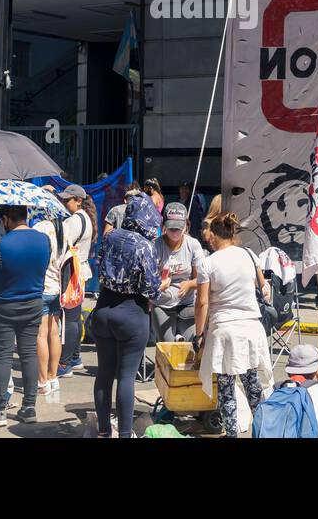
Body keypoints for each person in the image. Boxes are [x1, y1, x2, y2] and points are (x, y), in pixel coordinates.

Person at [194, 210, 273, 438]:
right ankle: (262, 431)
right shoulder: (249, 255)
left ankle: (232, 434)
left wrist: (199, 334)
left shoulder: (207, 263)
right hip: (250, 329)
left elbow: (202, 303)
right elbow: (264, 290)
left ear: (214, 236)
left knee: (226, 389)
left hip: (224, 331)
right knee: (252, 384)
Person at [90, 193, 162, 438]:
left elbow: (98, 272)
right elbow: (151, 289)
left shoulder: (110, 238)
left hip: (103, 310)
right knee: (127, 377)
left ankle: (102, 431)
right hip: (132, 314)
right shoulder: (146, 246)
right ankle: (123, 434)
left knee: (104, 374)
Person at [0, 203, 50, 426]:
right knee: (28, 353)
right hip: (34, 304)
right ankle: (29, 407)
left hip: (4, 306)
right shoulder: (44, 240)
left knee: (3, 356)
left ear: (6, 219)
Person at [35, 184, 95, 394]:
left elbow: (62, 247)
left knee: (63, 323)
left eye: (67, 200)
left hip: (69, 273)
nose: (64, 203)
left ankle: (65, 362)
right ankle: (72, 357)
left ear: (78, 200)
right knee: (70, 319)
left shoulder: (72, 221)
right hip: (76, 271)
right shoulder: (83, 219)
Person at [152, 202, 207, 342]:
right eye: (171, 228)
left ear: (186, 226)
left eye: (178, 228)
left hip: (187, 303)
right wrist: (161, 282)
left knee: (191, 343)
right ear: (164, 226)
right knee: (168, 345)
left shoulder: (193, 244)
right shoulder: (156, 246)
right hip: (163, 303)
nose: (175, 232)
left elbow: (202, 278)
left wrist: (189, 284)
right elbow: (149, 281)